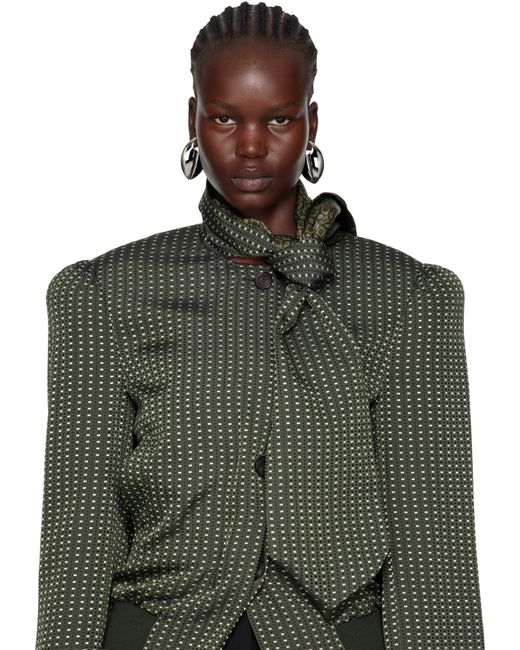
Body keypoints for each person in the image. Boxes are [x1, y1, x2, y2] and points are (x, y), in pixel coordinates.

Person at [35, 2, 486, 649]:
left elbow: (433, 544)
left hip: (336, 635)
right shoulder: (106, 294)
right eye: (224, 118)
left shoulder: (407, 296)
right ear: (192, 120)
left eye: (278, 118)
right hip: (161, 632)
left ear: (311, 123)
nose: (250, 145)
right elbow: (78, 531)